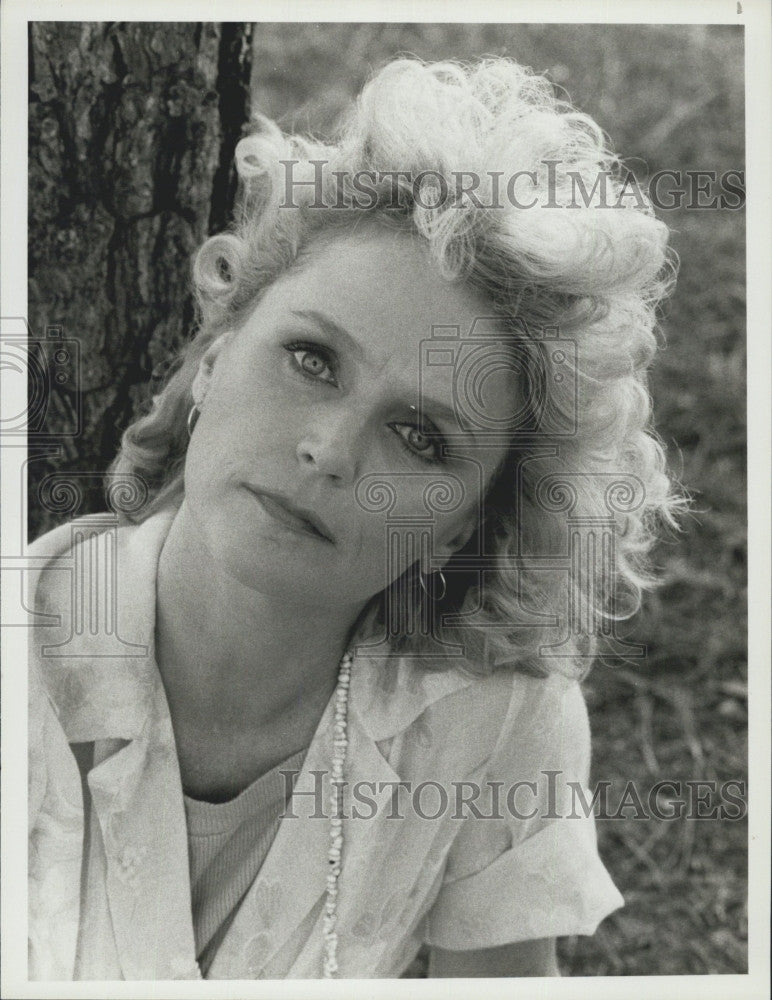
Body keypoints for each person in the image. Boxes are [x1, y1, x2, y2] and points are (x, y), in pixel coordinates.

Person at [28, 57, 679, 980]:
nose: (332, 451)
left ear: (464, 521)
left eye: (419, 435)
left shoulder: (492, 719)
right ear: (214, 359)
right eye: (311, 359)